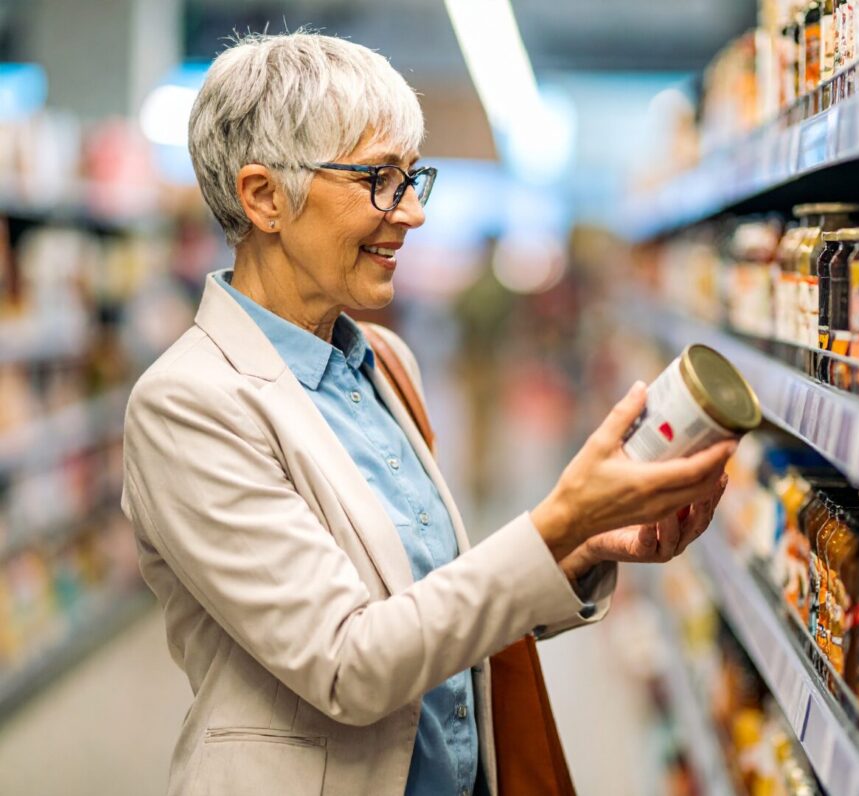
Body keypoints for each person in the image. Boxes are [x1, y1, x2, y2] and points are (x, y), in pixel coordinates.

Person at [121, 31, 735, 796]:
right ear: (264, 197)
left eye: (413, 179)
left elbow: (430, 606)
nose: (410, 212)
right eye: (379, 179)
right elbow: (349, 663)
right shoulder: (189, 404)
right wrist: (554, 521)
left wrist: (583, 544)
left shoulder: (385, 364)